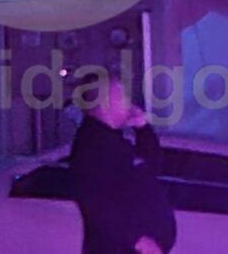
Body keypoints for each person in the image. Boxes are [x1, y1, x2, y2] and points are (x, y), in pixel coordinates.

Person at [69, 70, 177, 254]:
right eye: (122, 95)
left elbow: (151, 166)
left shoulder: (114, 141)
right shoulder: (93, 146)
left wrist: (142, 128)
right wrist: (136, 239)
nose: (129, 101)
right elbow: (95, 201)